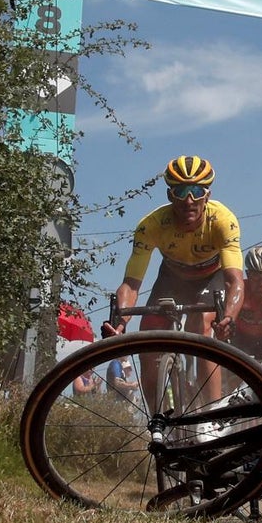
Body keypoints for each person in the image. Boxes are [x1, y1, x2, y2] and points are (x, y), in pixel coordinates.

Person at [100, 156, 243, 405]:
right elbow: (132, 284)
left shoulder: (222, 221)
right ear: (170, 195)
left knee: (201, 326)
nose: (189, 200)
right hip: (172, 280)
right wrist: (120, 322)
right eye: (181, 191)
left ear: (207, 195)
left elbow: (234, 281)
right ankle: (158, 419)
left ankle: (212, 415)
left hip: (211, 279)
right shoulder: (152, 225)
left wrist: (229, 316)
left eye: (196, 191)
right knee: (148, 339)